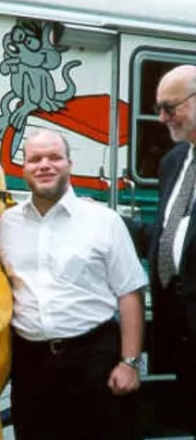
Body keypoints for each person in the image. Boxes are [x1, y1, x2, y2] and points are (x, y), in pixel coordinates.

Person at [0, 128, 147, 440]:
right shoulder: (5, 224)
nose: (44, 165)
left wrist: (129, 362)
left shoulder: (104, 221)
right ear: (22, 168)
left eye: (54, 157)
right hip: (31, 365)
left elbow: (130, 292)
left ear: (69, 164)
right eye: (35, 159)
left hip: (94, 359)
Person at [128, 64, 196, 435]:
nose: (162, 118)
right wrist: (118, 227)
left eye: (171, 107)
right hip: (174, 335)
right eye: (158, 108)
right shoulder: (173, 162)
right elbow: (172, 237)